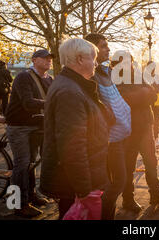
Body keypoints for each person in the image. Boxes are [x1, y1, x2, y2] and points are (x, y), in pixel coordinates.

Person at [40, 38, 113, 219]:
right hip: (77, 183)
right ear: (80, 59)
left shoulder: (74, 85)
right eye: (93, 58)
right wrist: (84, 189)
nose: (96, 63)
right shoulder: (70, 92)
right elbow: (73, 147)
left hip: (81, 177)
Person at [113, 53, 159, 213]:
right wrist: (144, 94)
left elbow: (154, 95)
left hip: (146, 125)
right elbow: (125, 99)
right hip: (129, 128)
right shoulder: (115, 80)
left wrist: (145, 94)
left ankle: (156, 193)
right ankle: (128, 199)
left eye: (131, 62)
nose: (130, 65)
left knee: (151, 162)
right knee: (129, 164)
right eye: (125, 62)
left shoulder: (139, 77)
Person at [84, 33, 131, 220]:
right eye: (103, 46)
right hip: (104, 138)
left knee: (118, 180)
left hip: (116, 136)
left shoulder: (105, 71)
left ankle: (105, 213)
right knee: (114, 181)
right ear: (92, 49)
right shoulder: (90, 75)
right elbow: (92, 105)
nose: (108, 49)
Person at [4, 49, 54, 217]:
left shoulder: (50, 79)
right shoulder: (23, 77)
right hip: (19, 126)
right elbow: (28, 102)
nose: (49, 60)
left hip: (36, 126)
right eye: (44, 58)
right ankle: (18, 204)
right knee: (22, 164)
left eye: (50, 58)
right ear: (34, 60)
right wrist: (52, 103)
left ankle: (31, 195)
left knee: (32, 163)